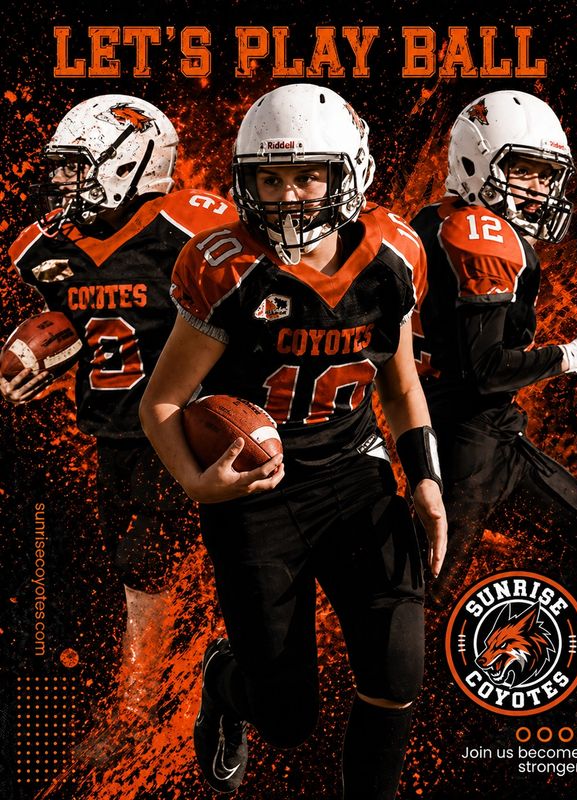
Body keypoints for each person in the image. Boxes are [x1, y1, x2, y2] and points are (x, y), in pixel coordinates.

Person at [139, 83, 447, 799]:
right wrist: (198, 483)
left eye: (308, 175)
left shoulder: (393, 254)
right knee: (286, 719)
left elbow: (400, 388)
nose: (288, 196)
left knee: (398, 672)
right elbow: (161, 402)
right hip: (256, 494)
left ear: (350, 172)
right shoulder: (227, 264)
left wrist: (425, 478)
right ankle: (225, 679)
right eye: (269, 179)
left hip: (353, 473)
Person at [1, 94, 237, 748]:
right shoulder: (48, 248)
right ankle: (147, 699)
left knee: (216, 561)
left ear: (125, 165)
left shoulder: (193, 227)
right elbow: (70, 330)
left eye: (77, 168)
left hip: (206, 420)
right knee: (141, 571)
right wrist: (35, 372)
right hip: (120, 437)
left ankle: (167, 697)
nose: (61, 183)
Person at [409, 90, 577, 628]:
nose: (538, 189)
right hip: (464, 442)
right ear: (474, 159)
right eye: (524, 170)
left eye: (546, 175)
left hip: (488, 438)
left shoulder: (435, 219)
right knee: (420, 610)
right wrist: (573, 355)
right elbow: (485, 370)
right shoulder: (481, 234)